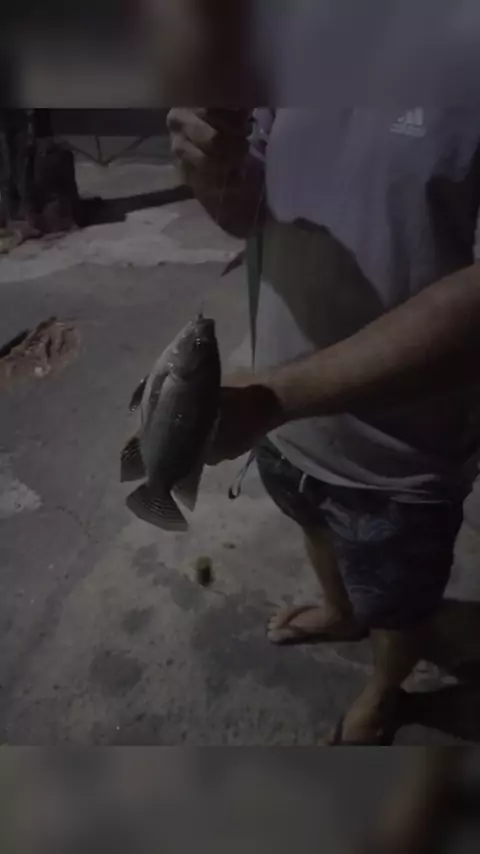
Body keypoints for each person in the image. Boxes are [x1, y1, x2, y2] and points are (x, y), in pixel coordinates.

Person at [167, 106, 480, 745]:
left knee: (399, 602)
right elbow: (247, 204)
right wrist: (210, 163)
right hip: (281, 421)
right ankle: (341, 613)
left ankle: (385, 693)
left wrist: (278, 394)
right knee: (315, 524)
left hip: (399, 453)